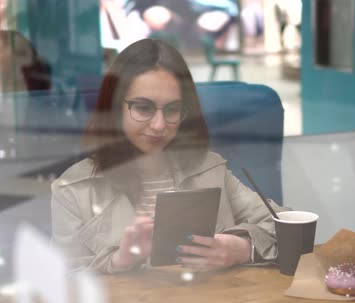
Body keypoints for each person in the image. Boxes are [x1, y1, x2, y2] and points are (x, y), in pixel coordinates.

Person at [51, 38, 287, 273]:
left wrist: (243, 248)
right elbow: (61, 284)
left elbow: (290, 225)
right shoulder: (73, 190)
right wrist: (117, 262)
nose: (159, 125)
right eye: (143, 108)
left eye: (173, 109)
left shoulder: (209, 168)